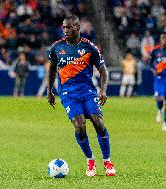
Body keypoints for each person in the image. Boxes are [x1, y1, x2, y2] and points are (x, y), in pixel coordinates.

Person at [47, 15, 116, 177]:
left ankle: (107, 161)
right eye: (64, 27)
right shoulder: (57, 47)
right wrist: (49, 90)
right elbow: (51, 69)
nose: (65, 30)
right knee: (80, 126)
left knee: (98, 122)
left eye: (69, 27)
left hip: (87, 92)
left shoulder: (89, 47)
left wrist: (103, 90)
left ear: (78, 28)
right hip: (68, 94)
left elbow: (103, 70)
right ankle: (90, 161)